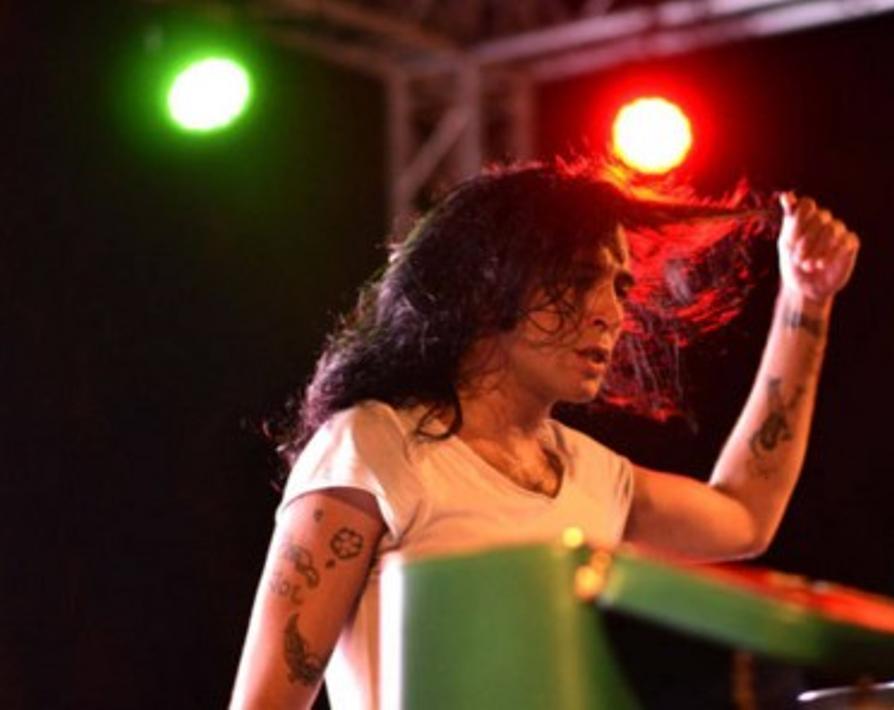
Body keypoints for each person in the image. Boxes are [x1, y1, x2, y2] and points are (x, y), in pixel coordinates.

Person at [230, 161, 860, 708]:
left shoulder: (595, 475)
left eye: (619, 288)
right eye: (581, 278)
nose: (611, 313)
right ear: (487, 282)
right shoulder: (373, 444)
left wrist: (805, 302)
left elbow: (745, 515)